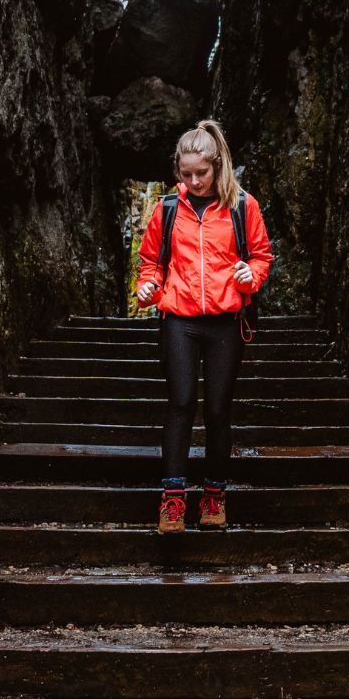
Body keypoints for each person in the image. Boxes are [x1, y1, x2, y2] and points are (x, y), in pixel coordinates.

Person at [133, 120, 274, 533]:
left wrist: (253, 275)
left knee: (216, 409)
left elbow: (262, 255)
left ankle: (213, 496)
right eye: (186, 174)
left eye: (202, 173)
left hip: (226, 322)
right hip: (178, 318)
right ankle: (173, 499)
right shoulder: (167, 209)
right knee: (179, 403)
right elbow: (151, 262)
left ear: (218, 166)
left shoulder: (242, 206)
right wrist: (149, 286)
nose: (194, 181)